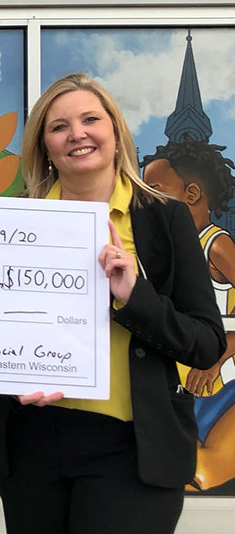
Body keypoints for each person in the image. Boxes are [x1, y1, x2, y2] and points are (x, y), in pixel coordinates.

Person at [0, 73, 226, 533]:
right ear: (46, 148)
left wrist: (135, 297)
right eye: (58, 126)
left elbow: (206, 343)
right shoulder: (11, 223)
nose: (76, 133)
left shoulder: (165, 220)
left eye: (90, 119)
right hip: (31, 444)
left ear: (115, 132)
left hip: (133, 450)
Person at [142, 140, 235, 490]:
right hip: (183, 384)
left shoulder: (216, 245)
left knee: (200, 471)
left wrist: (219, 351)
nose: (144, 199)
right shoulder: (165, 250)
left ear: (192, 193)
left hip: (220, 381)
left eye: (154, 190)